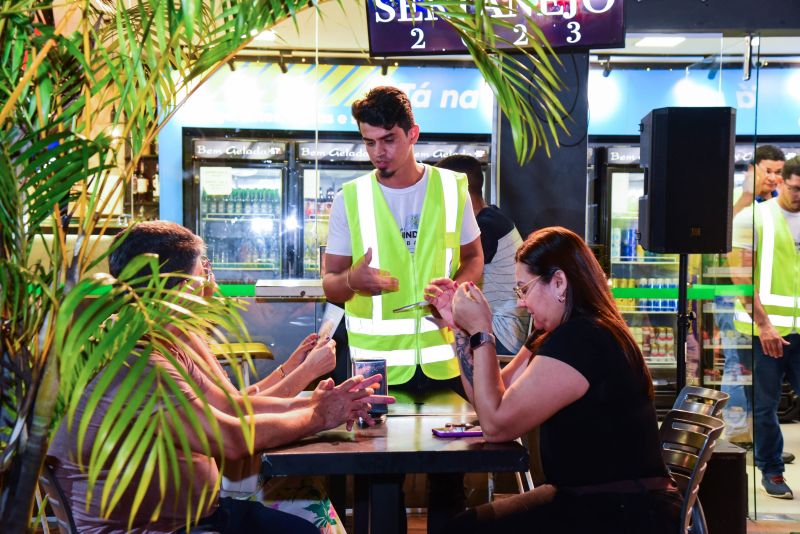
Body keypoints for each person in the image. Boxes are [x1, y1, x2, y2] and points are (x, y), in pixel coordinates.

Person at [48, 221, 392, 533]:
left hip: (190, 517)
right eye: (204, 268)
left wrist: (314, 397)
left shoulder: (154, 335)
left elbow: (234, 408)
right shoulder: (140, 361)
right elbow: (232, 440)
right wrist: (319, 413)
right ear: (181, 285)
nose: (210, 276)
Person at [425, 227, 682, 533]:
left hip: (622, 509)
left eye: (524, 289)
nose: (522, 303)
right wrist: (459, 328)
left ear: (559, 282)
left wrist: (483, 329)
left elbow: (495, 425)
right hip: (590, 499)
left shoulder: (583, 338)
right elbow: (491, 396)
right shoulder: (555, 333)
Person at [322, 86, 483, 533]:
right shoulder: (349, 198)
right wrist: (353, 280)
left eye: (388, 139)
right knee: (377, 483)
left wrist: (460, 286)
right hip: (375, 368)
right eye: (369, 141)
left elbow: (474, 256)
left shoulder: (453, 189)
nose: (378, 152)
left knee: (449, 481)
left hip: (444, 360)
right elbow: (331, 284)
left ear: (413, 134)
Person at [731, 156, 800, 499]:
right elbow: (741, 279)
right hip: (765, 332)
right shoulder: (752, 218)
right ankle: (771, 470)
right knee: (765, 405)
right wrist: (765, 326)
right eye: (795, 188)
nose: (799, 195)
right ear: (781, 182)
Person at [719, 145, 786, 445]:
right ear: (753, 170)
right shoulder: (737, 199)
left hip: (761, 300)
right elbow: (723, 239)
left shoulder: (776, 205)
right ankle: (734, 437)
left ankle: (758, 437)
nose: (773, 178)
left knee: (755, 370)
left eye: (779, 172)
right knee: (737, 364)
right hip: (731, 294)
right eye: (768, 170)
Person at [435, 154, 530, 355]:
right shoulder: (492, 219)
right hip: (503, 330)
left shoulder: (485, 227)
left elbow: (445, 275)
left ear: (460, 192)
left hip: (502, 334)